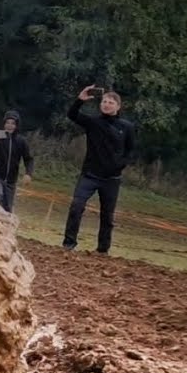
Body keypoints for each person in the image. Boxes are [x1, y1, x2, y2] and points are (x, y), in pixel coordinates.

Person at [61, 85, 136, 254]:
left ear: (118, 106)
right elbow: (72, 115)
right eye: (104, 101)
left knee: (107, 215)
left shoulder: (126, 127)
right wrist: (80, 99)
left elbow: (131, 151)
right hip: (90, 175)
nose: (106, 104)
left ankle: (102, 250)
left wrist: (120, 164)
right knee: (76, 206)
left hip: (111, 179)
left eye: (110, 102)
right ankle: (68, 244)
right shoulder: (93, 122)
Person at [0, 110, 34, 212]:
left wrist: (28, 173)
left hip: (11, 181)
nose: (10, 126)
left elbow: (28, 159)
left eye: (13, 123)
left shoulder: (21, 141)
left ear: (17, 125)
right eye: (7, 123)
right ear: (4, 124)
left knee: (7, 209)